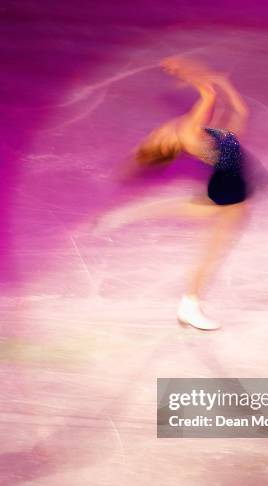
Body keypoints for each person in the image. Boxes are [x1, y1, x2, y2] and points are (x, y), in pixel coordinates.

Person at [95, 56, 250, 330]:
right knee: (212, 250)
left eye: (156, 133)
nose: (158, 131)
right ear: (168, 146)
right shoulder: (190, 134)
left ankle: (128, 215)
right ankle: (190, 305)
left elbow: (238, 114)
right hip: (229, 194)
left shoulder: (199, 133)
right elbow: (209, 96)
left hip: (228, 188)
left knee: (196, 217)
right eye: (158, 137)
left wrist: (219, 80)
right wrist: (189, 70)